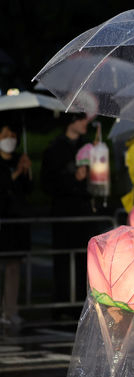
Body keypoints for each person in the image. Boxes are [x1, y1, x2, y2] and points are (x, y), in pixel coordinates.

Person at [41, 112, 94, 308]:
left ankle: (80, 302)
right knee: (64, 257)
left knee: (84, 258)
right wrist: (73, 179)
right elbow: (47, 184)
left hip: (84, 209)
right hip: (64, 211)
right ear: (70, 121)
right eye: (80, 119)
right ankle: (63, 302)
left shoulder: (88, 145)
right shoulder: (55, 148)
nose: (84, 122)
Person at [0, 120, 32, 331]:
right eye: (4, 136)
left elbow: (28, 190)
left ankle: (10, 310)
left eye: (12, 136)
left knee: (13, 269)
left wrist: (27, 171)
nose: (9, 140)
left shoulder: (20, 160)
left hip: (16, 224)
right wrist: (17, 173)